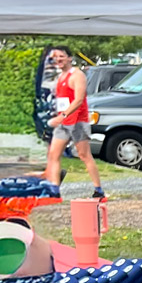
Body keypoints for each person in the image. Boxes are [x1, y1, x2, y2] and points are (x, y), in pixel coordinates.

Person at [42, 46, 104, 198]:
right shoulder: (60, 76)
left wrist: (62, 115)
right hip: (63, 123)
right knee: (53, 154)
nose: (58, 60)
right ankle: (54, 190)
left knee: (84, 155)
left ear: (69, 58)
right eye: (55, 57)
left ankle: (98, 189)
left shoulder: (77, 75)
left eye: (61, 56)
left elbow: (79, 99)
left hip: (77, 121)